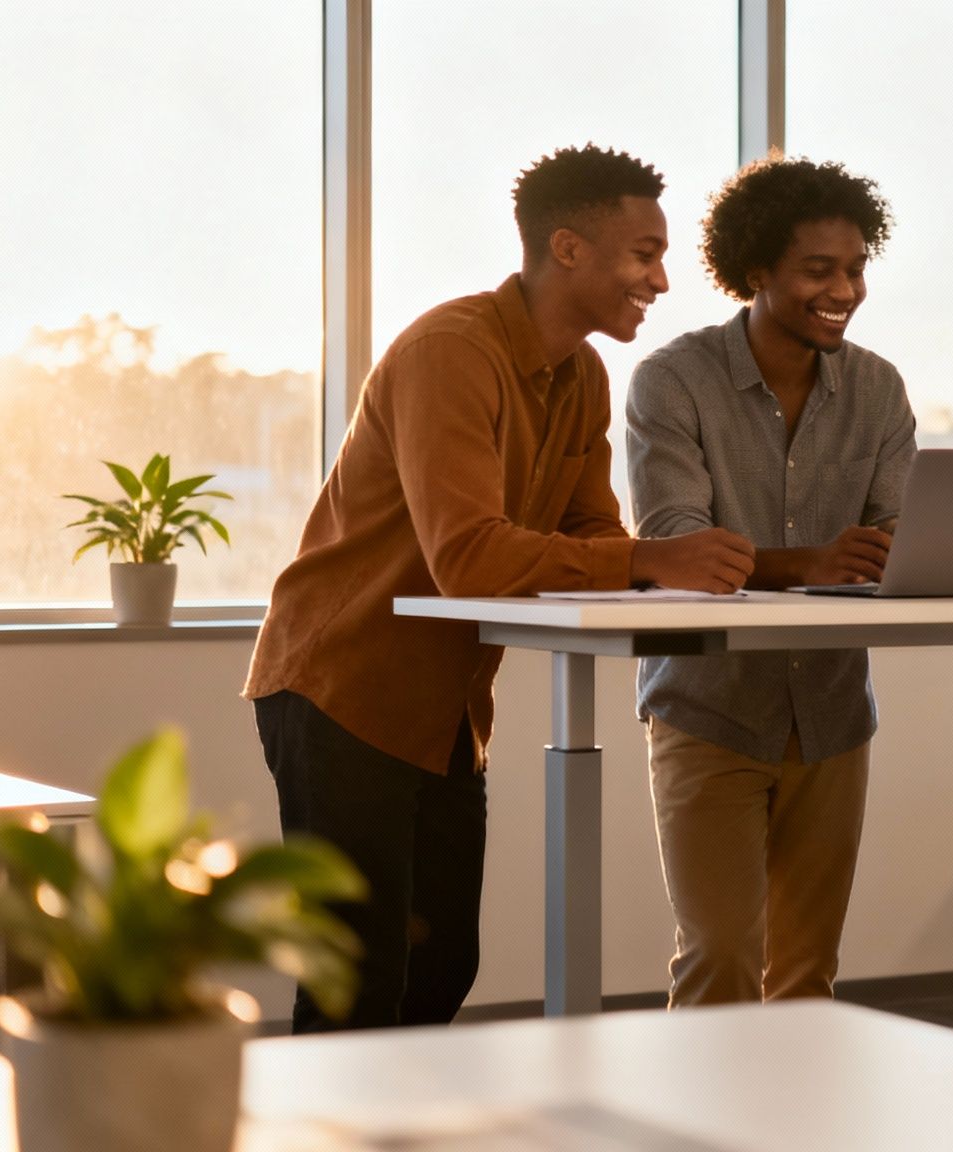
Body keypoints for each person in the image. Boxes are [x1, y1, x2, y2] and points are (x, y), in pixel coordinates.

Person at [244, 144, 754, 1033]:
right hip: (341, 687)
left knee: (442, 964)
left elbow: (592, 530)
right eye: (644, 254)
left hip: (444, 707)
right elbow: (470, 558)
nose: (662, 280)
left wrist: (658, 562)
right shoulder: (452, 350)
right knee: (354, 978)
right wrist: (645, 562)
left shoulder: (583, 376)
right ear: (568, 249)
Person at [627, 155, 913, 1007]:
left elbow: (895, 535)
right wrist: (807, 563)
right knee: (717, 958)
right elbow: (675, 539)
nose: (846, 289)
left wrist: (908, 553)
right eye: (819, 270)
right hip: (709, 706)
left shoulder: (877, 387)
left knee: (804, 978)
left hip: (830, 711)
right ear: (755, 272)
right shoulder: (672, 380)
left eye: (856, 268)